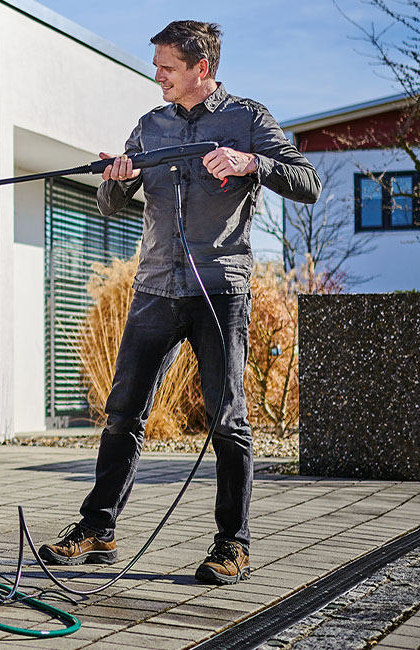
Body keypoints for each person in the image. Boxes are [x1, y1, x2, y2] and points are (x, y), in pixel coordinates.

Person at [38, 20, 320, 585]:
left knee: (228, 419)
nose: (158, 74)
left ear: (202, 68)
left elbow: (306, 180)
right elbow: (109, 204)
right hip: (154, 289)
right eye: (157, 65)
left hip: (219, 290)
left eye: (167, 66)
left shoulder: (248, 119)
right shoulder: (151, 126)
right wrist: (117, 178)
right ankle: (98, 529)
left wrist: (250, 164)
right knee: (123, 413)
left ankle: (231, 545)